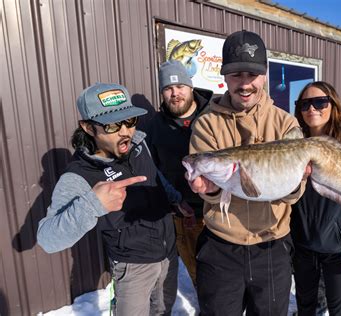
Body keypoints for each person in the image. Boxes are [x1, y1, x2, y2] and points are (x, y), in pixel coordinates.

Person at [37, 82, 191, 316]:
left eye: (129, 121)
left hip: (168, 253)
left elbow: (154, 176)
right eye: (111, 125)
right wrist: (92, 204)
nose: (125, 131)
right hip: (133, 267)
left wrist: (175, 198)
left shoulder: (138, 142)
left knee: (163, 311)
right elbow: (47, 239)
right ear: (88, 128)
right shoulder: (78, 176)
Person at [187, 30, 309, 315]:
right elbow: (211, 185)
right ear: (225, 77)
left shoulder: (285, 123)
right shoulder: (207, 124)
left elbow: (293, 195)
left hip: (272, 247)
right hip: (221, 249)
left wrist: (296, 181)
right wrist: (210, 190)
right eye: (236, 74)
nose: (245, 84)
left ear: (264, 75)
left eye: (252, 75)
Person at [291, 81, 341, 316]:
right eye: (305, 104)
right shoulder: (293, 145)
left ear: (333, 105)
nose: (312, 109)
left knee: (339, 311)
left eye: (320, 102)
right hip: (302, 246)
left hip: (339, 249)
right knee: (305, 307)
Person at [145, 60, 213, 286]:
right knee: (198, 274)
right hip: (185, 216)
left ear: (190, 87)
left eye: (180, 86)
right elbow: (154, 171)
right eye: (168, 88)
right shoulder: (155, 127)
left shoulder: (214, 115)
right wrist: (174, 203)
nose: (175, 93)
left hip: (222, 210)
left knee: (226, 276)